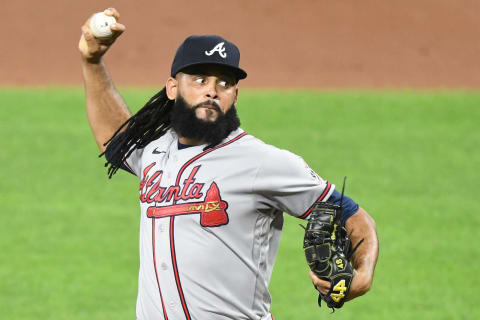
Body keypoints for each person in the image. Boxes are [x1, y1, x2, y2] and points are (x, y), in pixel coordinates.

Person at [78, 8, 378, 320]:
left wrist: (362, 275)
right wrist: (92, 63)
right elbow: (115, 140)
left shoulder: (262, 161)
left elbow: (352, 215)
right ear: (172, 88)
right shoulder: (155, 153)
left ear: (235, 94)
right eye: (199, 79)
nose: (212, 89)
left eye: (224, 82)